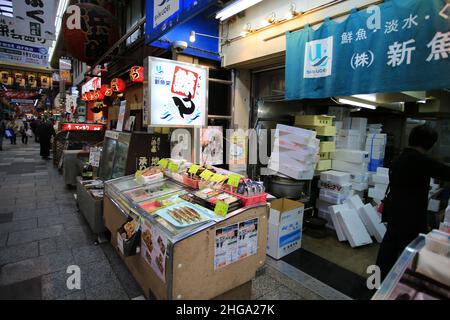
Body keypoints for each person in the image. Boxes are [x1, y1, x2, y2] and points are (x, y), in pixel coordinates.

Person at [376, 124, 450, 281]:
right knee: (409, 253)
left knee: (389, 247)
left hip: (394, 212)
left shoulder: (399, 158)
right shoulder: (421, 161)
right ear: (430, 144)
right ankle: (402, 286)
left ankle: (377, 282)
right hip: (411, 217)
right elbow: (446, 172)